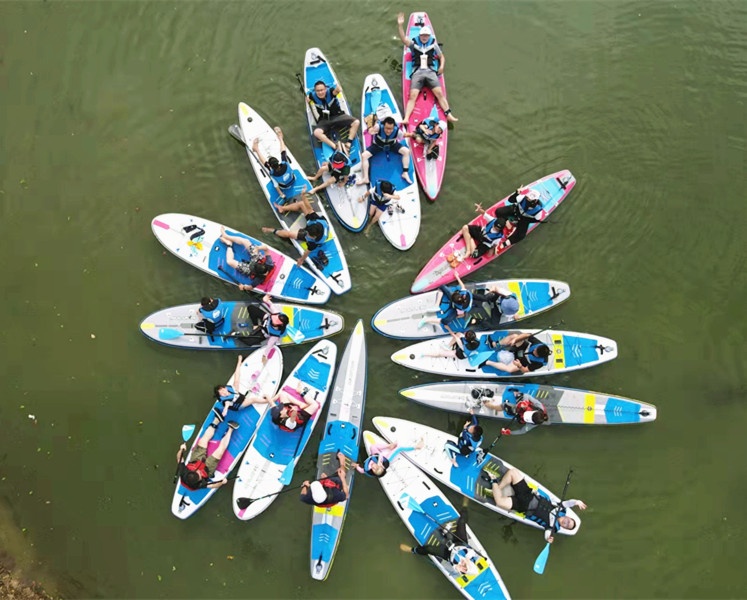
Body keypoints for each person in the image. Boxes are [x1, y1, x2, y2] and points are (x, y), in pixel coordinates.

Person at [484, 468, 587, 542]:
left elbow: (547, 534)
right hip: (528, 494)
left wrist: (548, 538)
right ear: (568, 517)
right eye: (568, 521)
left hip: (522, 506)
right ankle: (497, 488)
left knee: (499, 502)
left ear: (564, 527)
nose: (566, 523)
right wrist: (576, 502)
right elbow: (568, 503)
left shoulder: (552, 527)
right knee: (513, 472)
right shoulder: (561, 509)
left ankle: (494, 481)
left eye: (567, 525)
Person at [397, 12, 458, 125]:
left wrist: (441, 66)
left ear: (429, 36)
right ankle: (406, 118)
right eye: (422, 35)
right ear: (420, 36)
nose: (424, 37)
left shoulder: (434, 45)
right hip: (418, 72)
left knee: (439, 93)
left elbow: (441, 57)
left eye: (426, 36)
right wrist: (400, 25)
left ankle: (448, 114)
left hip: (430, 72)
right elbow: (404, 39)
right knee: (413, 96)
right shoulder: (414, 44)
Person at [262, 192, 330, 267]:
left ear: (314, 237)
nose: (307, 234)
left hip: (317, 234)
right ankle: (282, 208)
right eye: (307, 233)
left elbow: (307, 252)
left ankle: (271, 230)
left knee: (289, 234)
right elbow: (309, 207)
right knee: (301, 204)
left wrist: (301, 260)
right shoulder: (317, 220)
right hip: (314, 227)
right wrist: (303, 195)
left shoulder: (314, 242)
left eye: (309, 235)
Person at [407, 508, 482, 577]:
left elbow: (454, 568)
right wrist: (466, 559)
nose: (463, 567)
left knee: (429, 549)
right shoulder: (471, 555)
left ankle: (414, 550)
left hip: (447, 553)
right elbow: (471, 553)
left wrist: (456, 567)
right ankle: (464, 508)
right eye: (466, 566)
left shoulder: (458, 569)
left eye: (464, 569)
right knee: (462, 521)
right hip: (460, 542)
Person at [176, 417, 240, 491]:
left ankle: (216, 420)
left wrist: (181, 449)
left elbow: (179, 457)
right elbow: (214, 485)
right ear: (199, 480)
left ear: (190, 471)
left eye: (197, 471)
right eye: (199, 475)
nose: (199, 471)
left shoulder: (183, 472)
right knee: (220, 451)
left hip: (195, 461)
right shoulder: (199, 485)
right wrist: (222, 482)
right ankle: (230, 429)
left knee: (203, 441)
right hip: (207, 469)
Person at [227, 295, 289, 360]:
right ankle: (255, 324)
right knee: (251, 308)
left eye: (274, 321)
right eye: (274, 318)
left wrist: (265, 355)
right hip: (265, 319)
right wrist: (266, 300)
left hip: (263, 332)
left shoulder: (275, 336)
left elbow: (269, 345)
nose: (273, 319)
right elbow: (271, 305)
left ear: (280, 325)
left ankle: (235, 334)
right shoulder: (277, 313)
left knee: (249, 342)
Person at [213, 354, 273, 419]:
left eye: (223, 390)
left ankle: (240, 362)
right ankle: (271, 400)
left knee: (236, 380)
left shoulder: (229, 389)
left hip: (238, 396)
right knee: (253, 400)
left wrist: (239, 361)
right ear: (221, 396)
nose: (224, 392)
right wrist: (225, 410)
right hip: (239, 405)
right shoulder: (226, 401)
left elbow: (236, 375)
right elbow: (227, 405)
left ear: (225, 388)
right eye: (221, 393)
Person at [307, 80, 360, 151]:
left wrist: (338, 88)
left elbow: (336, 91)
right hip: (324, 120)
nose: (320, 92)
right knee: (316, 133)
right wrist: (307, 99)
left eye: (322, 90)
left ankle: (348, 144)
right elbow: (308, 98)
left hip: (338, 116)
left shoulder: (331, 92)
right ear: (315, 91)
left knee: (356, 122)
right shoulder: (312, 96)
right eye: (318, 91)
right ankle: (335, 146)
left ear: (325, 89)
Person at [359, 116, 412, 185]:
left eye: (391, 129)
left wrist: (413, 135)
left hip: (392, 145)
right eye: (387, 128)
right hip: (378, 146)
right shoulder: (378, 127)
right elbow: (370, 131)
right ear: (383, 125)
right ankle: (366, 178)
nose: (388, 131)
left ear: (393, 127)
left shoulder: (397, 131)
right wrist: (372, 125)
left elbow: (404, 135)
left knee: (406, 151)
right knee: (364, 156)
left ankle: (405, 173)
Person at [219, 227, 275, 291]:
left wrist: (243, 287)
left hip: (249, 270)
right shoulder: (269, 263)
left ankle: (229, 244)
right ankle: (226, 236)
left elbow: (250, 287)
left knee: (229, 262)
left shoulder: (259, 279)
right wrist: (258, 248)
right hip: (257, 260)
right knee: (246, 241)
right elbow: (266, 249)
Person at [252, 128, 298, 204]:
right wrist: (281, 140)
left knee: (274, 181)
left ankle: (256, 149)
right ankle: (281, 138)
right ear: (278, 162)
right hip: (293, 180)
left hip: (284, 187)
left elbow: (276, 185)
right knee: (284, 155)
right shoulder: (285, 163)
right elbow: (283, 151)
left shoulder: (273, 173)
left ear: (271, 166)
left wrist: (282, 194)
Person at [484, 387, 549, 435]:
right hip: (523, 406)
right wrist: (525, 402)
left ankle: (490, 405)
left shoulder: (533, 424)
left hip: (519, 413)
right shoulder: (539, 406)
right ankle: (516, 394)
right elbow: (527, 396)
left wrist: (509, 432)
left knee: (504, 406)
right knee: (521, 395)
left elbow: (522, 431)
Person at [482, 332, 551, 374]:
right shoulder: (538, 344)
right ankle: (495, 344)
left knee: (510, 369)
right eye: (535, 349)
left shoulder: (540, 363)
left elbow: (525, 370)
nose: (534, 351)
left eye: (535, 352)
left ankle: (487, 362)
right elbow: (527, 335)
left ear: (538, 356)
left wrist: (519, 365)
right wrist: (515, 340)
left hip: (521, 361)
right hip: (523, 348)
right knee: (515, 336)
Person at [352, 439, 423, 478]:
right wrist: (379, 461)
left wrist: (356, 466)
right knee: (399, 448)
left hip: (376, 457)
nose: (373, 467)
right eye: (376, 468)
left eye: (374, 469)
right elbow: (380, 455)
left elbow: (362, 471)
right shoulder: (380, 463)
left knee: (373, 447)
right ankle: (417, 447)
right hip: (385, 459)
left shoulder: (368, 468)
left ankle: (416, 447)